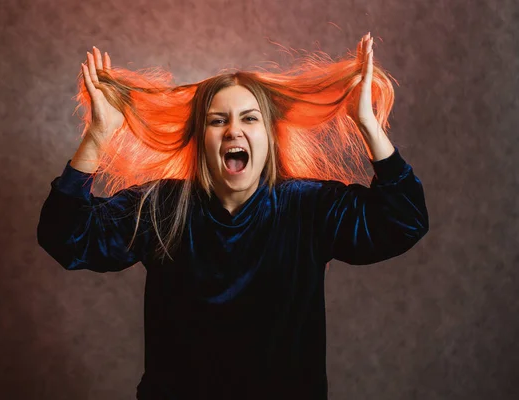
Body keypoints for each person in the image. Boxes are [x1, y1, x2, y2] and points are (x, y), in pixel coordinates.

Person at [37, 33, 429, 400]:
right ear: (200, 138)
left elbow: (403, 220)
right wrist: (98, 135)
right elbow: (65, 237)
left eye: (250, 118)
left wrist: (368, 125)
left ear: (270, 136)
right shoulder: (162, 206)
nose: (232, 131)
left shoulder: (307, 207)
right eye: (217, 120)